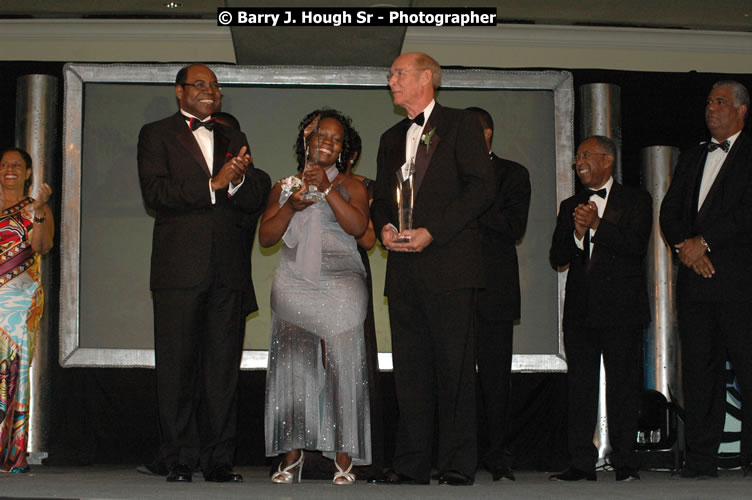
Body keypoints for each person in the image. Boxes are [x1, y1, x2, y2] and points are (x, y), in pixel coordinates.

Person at [137, 63, 271, 483]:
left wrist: (234, 183)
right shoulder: (156, 134)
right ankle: (177, 459)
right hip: (179, 272)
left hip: (227, 274)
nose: (210, 91)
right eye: (200, 85)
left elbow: (252, 197)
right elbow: (155, 193)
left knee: (221, 372)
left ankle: (218, 461)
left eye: (214, 86)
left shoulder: (234, 135)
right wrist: (212, 185)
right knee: (177, 370)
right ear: (180, 92)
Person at [370, 52, 495, 486]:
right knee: (410, 372)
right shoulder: (389, 137)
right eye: (390, 75)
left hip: (450, 268)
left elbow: (482, 189)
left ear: (427, 78)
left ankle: (459, 464)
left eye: (398, 74)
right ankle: (411, 463)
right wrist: (385, 225)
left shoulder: (460, 124)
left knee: (454, 369)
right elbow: (383, 199)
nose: (391, 81)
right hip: (403, 272)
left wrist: (432, 232)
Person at [260, 109, 371, 486]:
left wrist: (325, 189)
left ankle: (344, 456)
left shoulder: (353, 186)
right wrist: (291, 205)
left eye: (336, 138)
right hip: (294, 283)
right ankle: (292, 457)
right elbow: (266, 237)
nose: (327, 141)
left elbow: (357, 227)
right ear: (306, 142)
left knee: (344, 366)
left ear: (343, 149)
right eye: (320, 135)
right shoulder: (284, 186)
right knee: (293, 368)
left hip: (342, 284)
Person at [659, 81, 752, 479]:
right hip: (697, 282)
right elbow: (670, 211)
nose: (711, 108)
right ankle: (700, 459)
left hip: (740, 281)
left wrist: (705, 242)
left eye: (720, 102)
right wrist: (687, 249)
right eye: (708, 102)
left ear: (742, 110)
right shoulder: (693, 156)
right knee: (699, 371)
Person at [548, 135, 651, 482]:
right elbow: (557, 258)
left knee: (623, 386)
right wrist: (577, 234)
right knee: (580, 386)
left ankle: (625, 461)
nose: (579, 161)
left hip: (622, 309)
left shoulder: (636, 199)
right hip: (580, 311)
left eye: (587, 155)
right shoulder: (569, 205)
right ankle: (580, 462)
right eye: (577, 156)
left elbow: (636, 246)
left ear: (608, 160)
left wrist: (596, 226)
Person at [466, 107, 531, 482]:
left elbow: (513, 226)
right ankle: (458, 453)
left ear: (487, 135)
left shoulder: (512, 174)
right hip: (451, 288)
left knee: (494, 378)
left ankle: (497, 454)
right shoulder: (448, 175)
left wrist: (472, 202)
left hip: (495, 290)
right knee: (454, 378)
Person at [0, 147, 53, 473]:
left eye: (17, 165)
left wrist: (38, 209)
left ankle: (11, 454)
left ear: (28, 172)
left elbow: (41, 245)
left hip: (21, 302)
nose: (10, 170)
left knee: (15, 373)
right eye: (4, 165)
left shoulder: (36, 208)